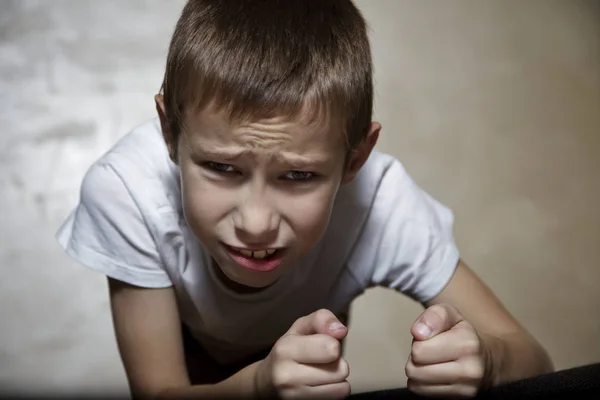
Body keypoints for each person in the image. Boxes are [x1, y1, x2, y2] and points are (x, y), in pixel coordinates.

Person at [56, 0, 554, 398]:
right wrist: (257, 383)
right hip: (191, 349)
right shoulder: (126, 191)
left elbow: (532, 358)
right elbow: (160, 389)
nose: (255, 223)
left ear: (356, 158)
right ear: (170, 133)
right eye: (220, 168)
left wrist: (485, 361)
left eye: (297, 175)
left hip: (304, 352)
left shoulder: (382, 203)